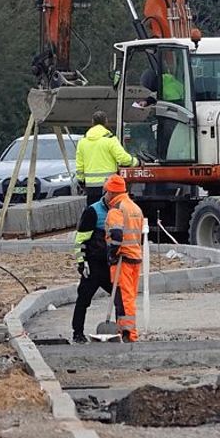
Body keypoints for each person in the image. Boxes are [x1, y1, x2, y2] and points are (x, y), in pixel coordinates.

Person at [102, 174, 144, 342]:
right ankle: (123, 331)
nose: (105, 195)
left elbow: (117, 235)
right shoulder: (134, 208)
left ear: (111, 192)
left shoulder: (117, 209)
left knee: (124, 299)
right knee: (129, 297)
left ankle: (128, 334)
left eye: (106, 191)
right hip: (135, 257)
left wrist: (112, 253)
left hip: (123, 260)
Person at [70, 194, 113, 344]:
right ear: (107, 194)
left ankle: (125, 332)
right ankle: (77, 333)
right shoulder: (92, 212)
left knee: (120, 299)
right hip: (94, 266)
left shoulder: (121, 210)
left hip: (111, 266)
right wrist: (82, 263)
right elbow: (80, 240)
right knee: (83, 299)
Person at [75, 111, 135, 203]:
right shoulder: (110, 140)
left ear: (92, 122)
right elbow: (124, 159)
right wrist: (136, 161)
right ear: (106, 122)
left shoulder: (82, 142)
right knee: (110, 212)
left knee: (94, 213)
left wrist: (81, 181)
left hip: (91, 188)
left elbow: (79, 166)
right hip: (109, 187)